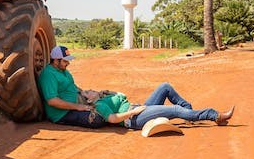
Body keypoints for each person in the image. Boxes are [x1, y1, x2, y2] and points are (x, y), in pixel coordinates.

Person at [38, 45, 235, 130]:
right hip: (134, 116)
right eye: (65, 60)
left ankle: (189, 114)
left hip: (135, 107)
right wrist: (138, 110)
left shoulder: (70, 77)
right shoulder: (97, 106)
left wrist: (89, 92)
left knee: (165, 86)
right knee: (174, 110)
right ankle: (214, 115)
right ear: (56, 60)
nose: (68, 63)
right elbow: (113, 119)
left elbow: (75, 89)